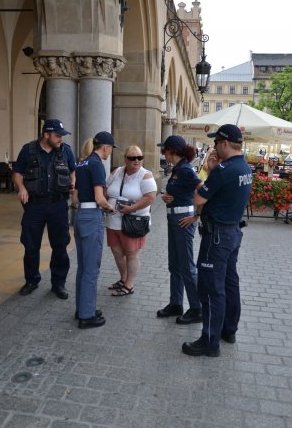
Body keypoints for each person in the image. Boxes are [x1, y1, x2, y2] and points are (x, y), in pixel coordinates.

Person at [180, 124, 252, 357]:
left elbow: (198, 199)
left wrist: (210, 172)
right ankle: (228, 329)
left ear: (224, 143)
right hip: (232, 232)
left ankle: (210, 341)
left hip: (217, 236)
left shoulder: (223, 169)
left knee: (211, 287)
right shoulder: (244, 167)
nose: (213, 147)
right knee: (230, 282)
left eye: (215, 143)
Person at [13, 119, 76, 299]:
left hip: (58, 205)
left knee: (60, 245)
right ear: (46, 135)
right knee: (31, 245)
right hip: (35, 206)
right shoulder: (28, 149)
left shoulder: (66, 151)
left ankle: (58, 284)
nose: (60, 139)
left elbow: (73, 170)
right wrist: (22, 188)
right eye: (57, 136)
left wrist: (73, 182)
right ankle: (32, 280)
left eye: (62, 136)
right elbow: (17, 172)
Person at [156, 135, 202, 324]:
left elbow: (202, 189)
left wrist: (196, 216)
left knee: (186, 266)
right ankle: (176, 303)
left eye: (165, 150)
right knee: (174, 264)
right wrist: (167, 197)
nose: (162, 153)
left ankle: (197, 308)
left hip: (183, 221)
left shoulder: (185, 169)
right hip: (174, 218)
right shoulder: (177, 169)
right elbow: (179, 192)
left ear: (172, 151)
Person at [73, 132, 117, 329]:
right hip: (92, 217)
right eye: (110, 149)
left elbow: (75, 197)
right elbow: (100, 198)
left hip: (80, 214)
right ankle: (87, 315)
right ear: (106, 147)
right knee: (91, 269)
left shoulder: (81, 164)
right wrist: (111, 207)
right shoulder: (97, 164)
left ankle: (82, 308)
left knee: (83, 267)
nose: (109, 153)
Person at [106, 146, 157, 296]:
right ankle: (123, 278)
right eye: (132, 158)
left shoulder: (145, 175)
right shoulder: (117, 172)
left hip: (134, 221)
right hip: (113, 220)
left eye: (139, 158)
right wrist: (104, 204)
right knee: (116, 251)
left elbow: (150, 197)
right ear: (125, 159)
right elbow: (106, 188)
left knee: (131, 254)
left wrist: (131, 208)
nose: (137, 161)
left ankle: (129, 284)